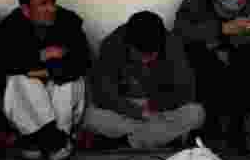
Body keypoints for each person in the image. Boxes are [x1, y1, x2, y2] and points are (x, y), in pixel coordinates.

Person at [0, 0, 89, 160]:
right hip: (29, 98)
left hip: (59, 88)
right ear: (26, 9)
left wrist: (45, 72)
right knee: (20, 81)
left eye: (53, 2)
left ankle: (35, 139)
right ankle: (55, 141)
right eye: (43, 4)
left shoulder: (68, 21)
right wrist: (43, 55)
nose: (51, 9)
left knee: (67, 81)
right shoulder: (11, 26)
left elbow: (81, 61)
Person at [173, 0, 250, 148]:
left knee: (248, 58)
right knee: (201, 55)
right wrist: (222, 29)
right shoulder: (193, 5)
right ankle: (210, 132)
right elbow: (181, 34)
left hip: (235, 67)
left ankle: (236, 132)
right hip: (205, 69)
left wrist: (233, 38)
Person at [85, 11, 205, 149]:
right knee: (90, 116)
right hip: (125, 109)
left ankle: (129, 142)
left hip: (161, 111)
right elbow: (103, 94)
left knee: (197, 113)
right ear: (129, 44)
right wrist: (136, 112)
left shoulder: (172, 44)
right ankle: (157, 137)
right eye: (141, 55)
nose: (145, 60)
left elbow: (186, 91)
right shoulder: (112, 44)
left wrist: (156, 105)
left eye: (151, 55)